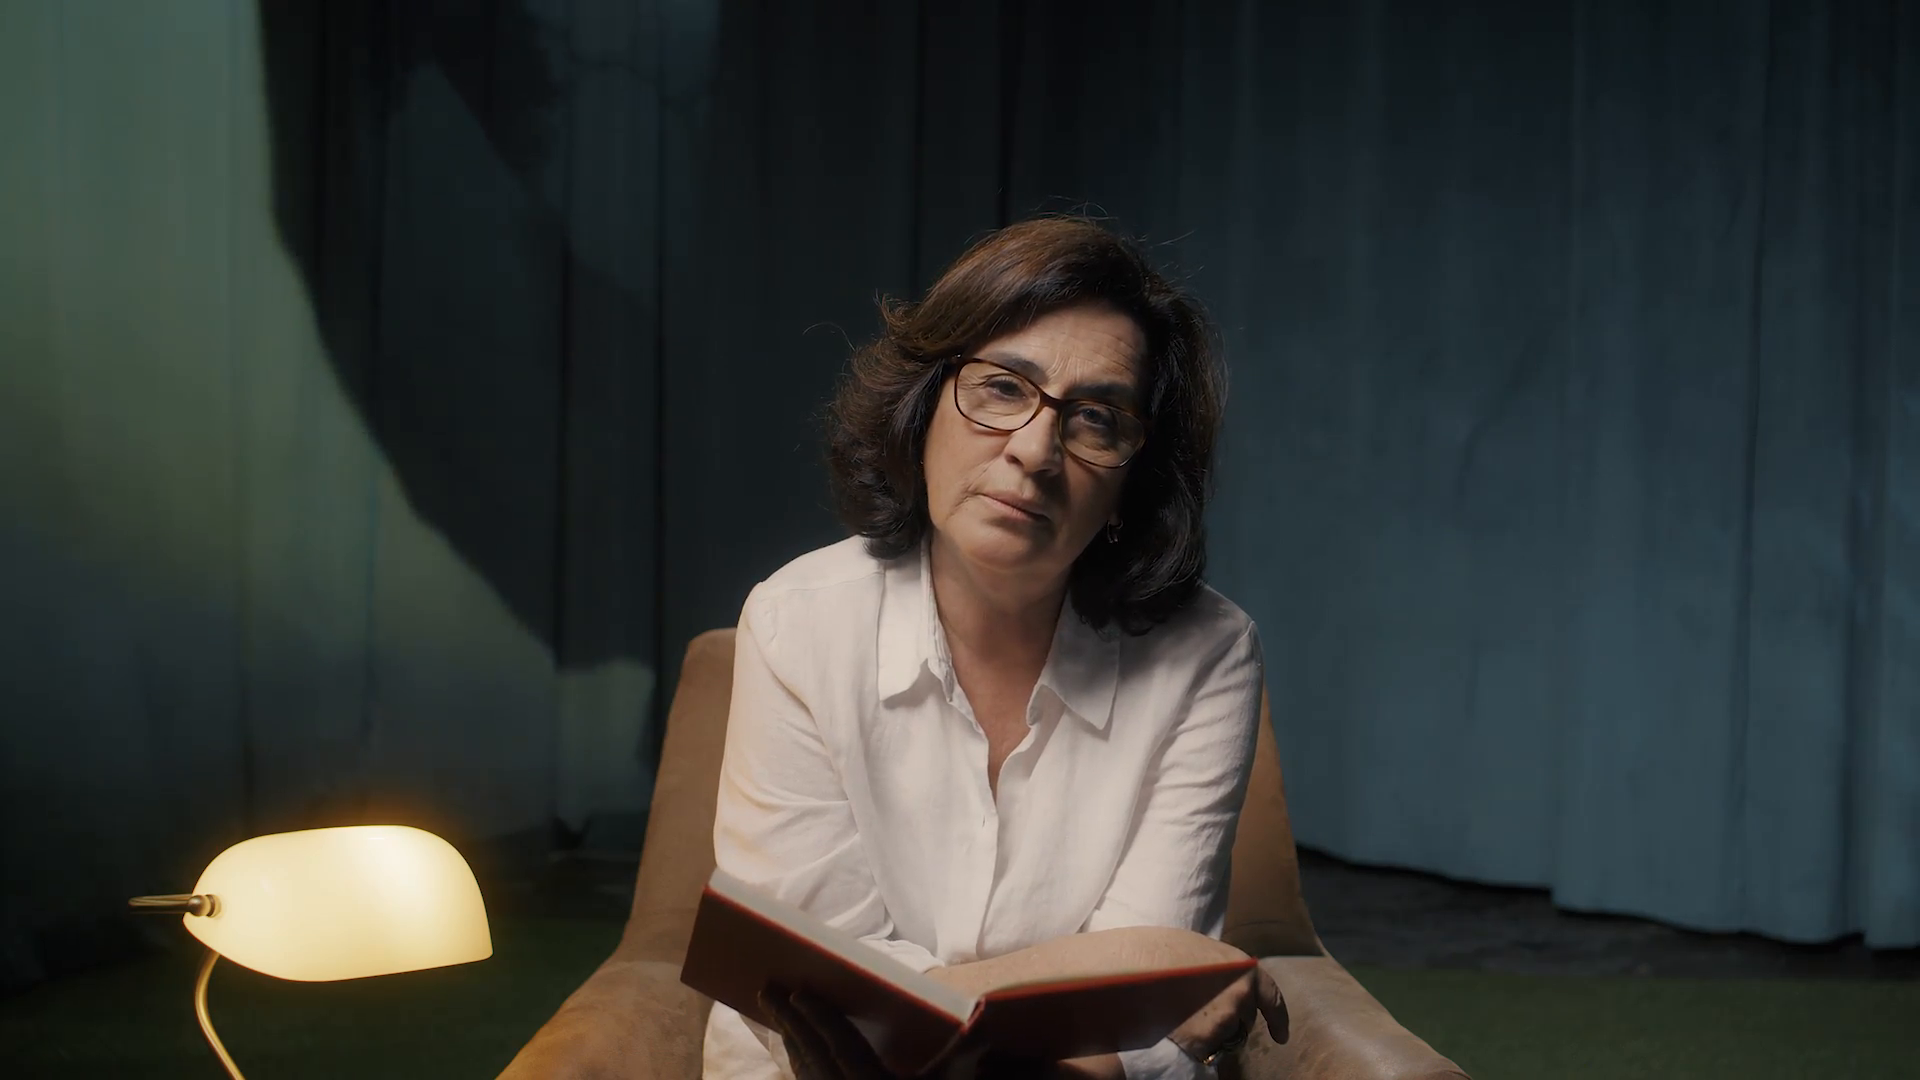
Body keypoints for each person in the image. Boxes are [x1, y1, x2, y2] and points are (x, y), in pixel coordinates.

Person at [703, 216, 1287, 1080]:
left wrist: (1121, 1002)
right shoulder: (797, 622)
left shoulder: (1210, 652)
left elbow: (1146, 1008)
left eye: (1097, 419)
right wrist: (1115, 989)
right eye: (1004, 388)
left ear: (1135, 478)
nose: (1035, 451)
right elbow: (824, 1005)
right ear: (923, 406)